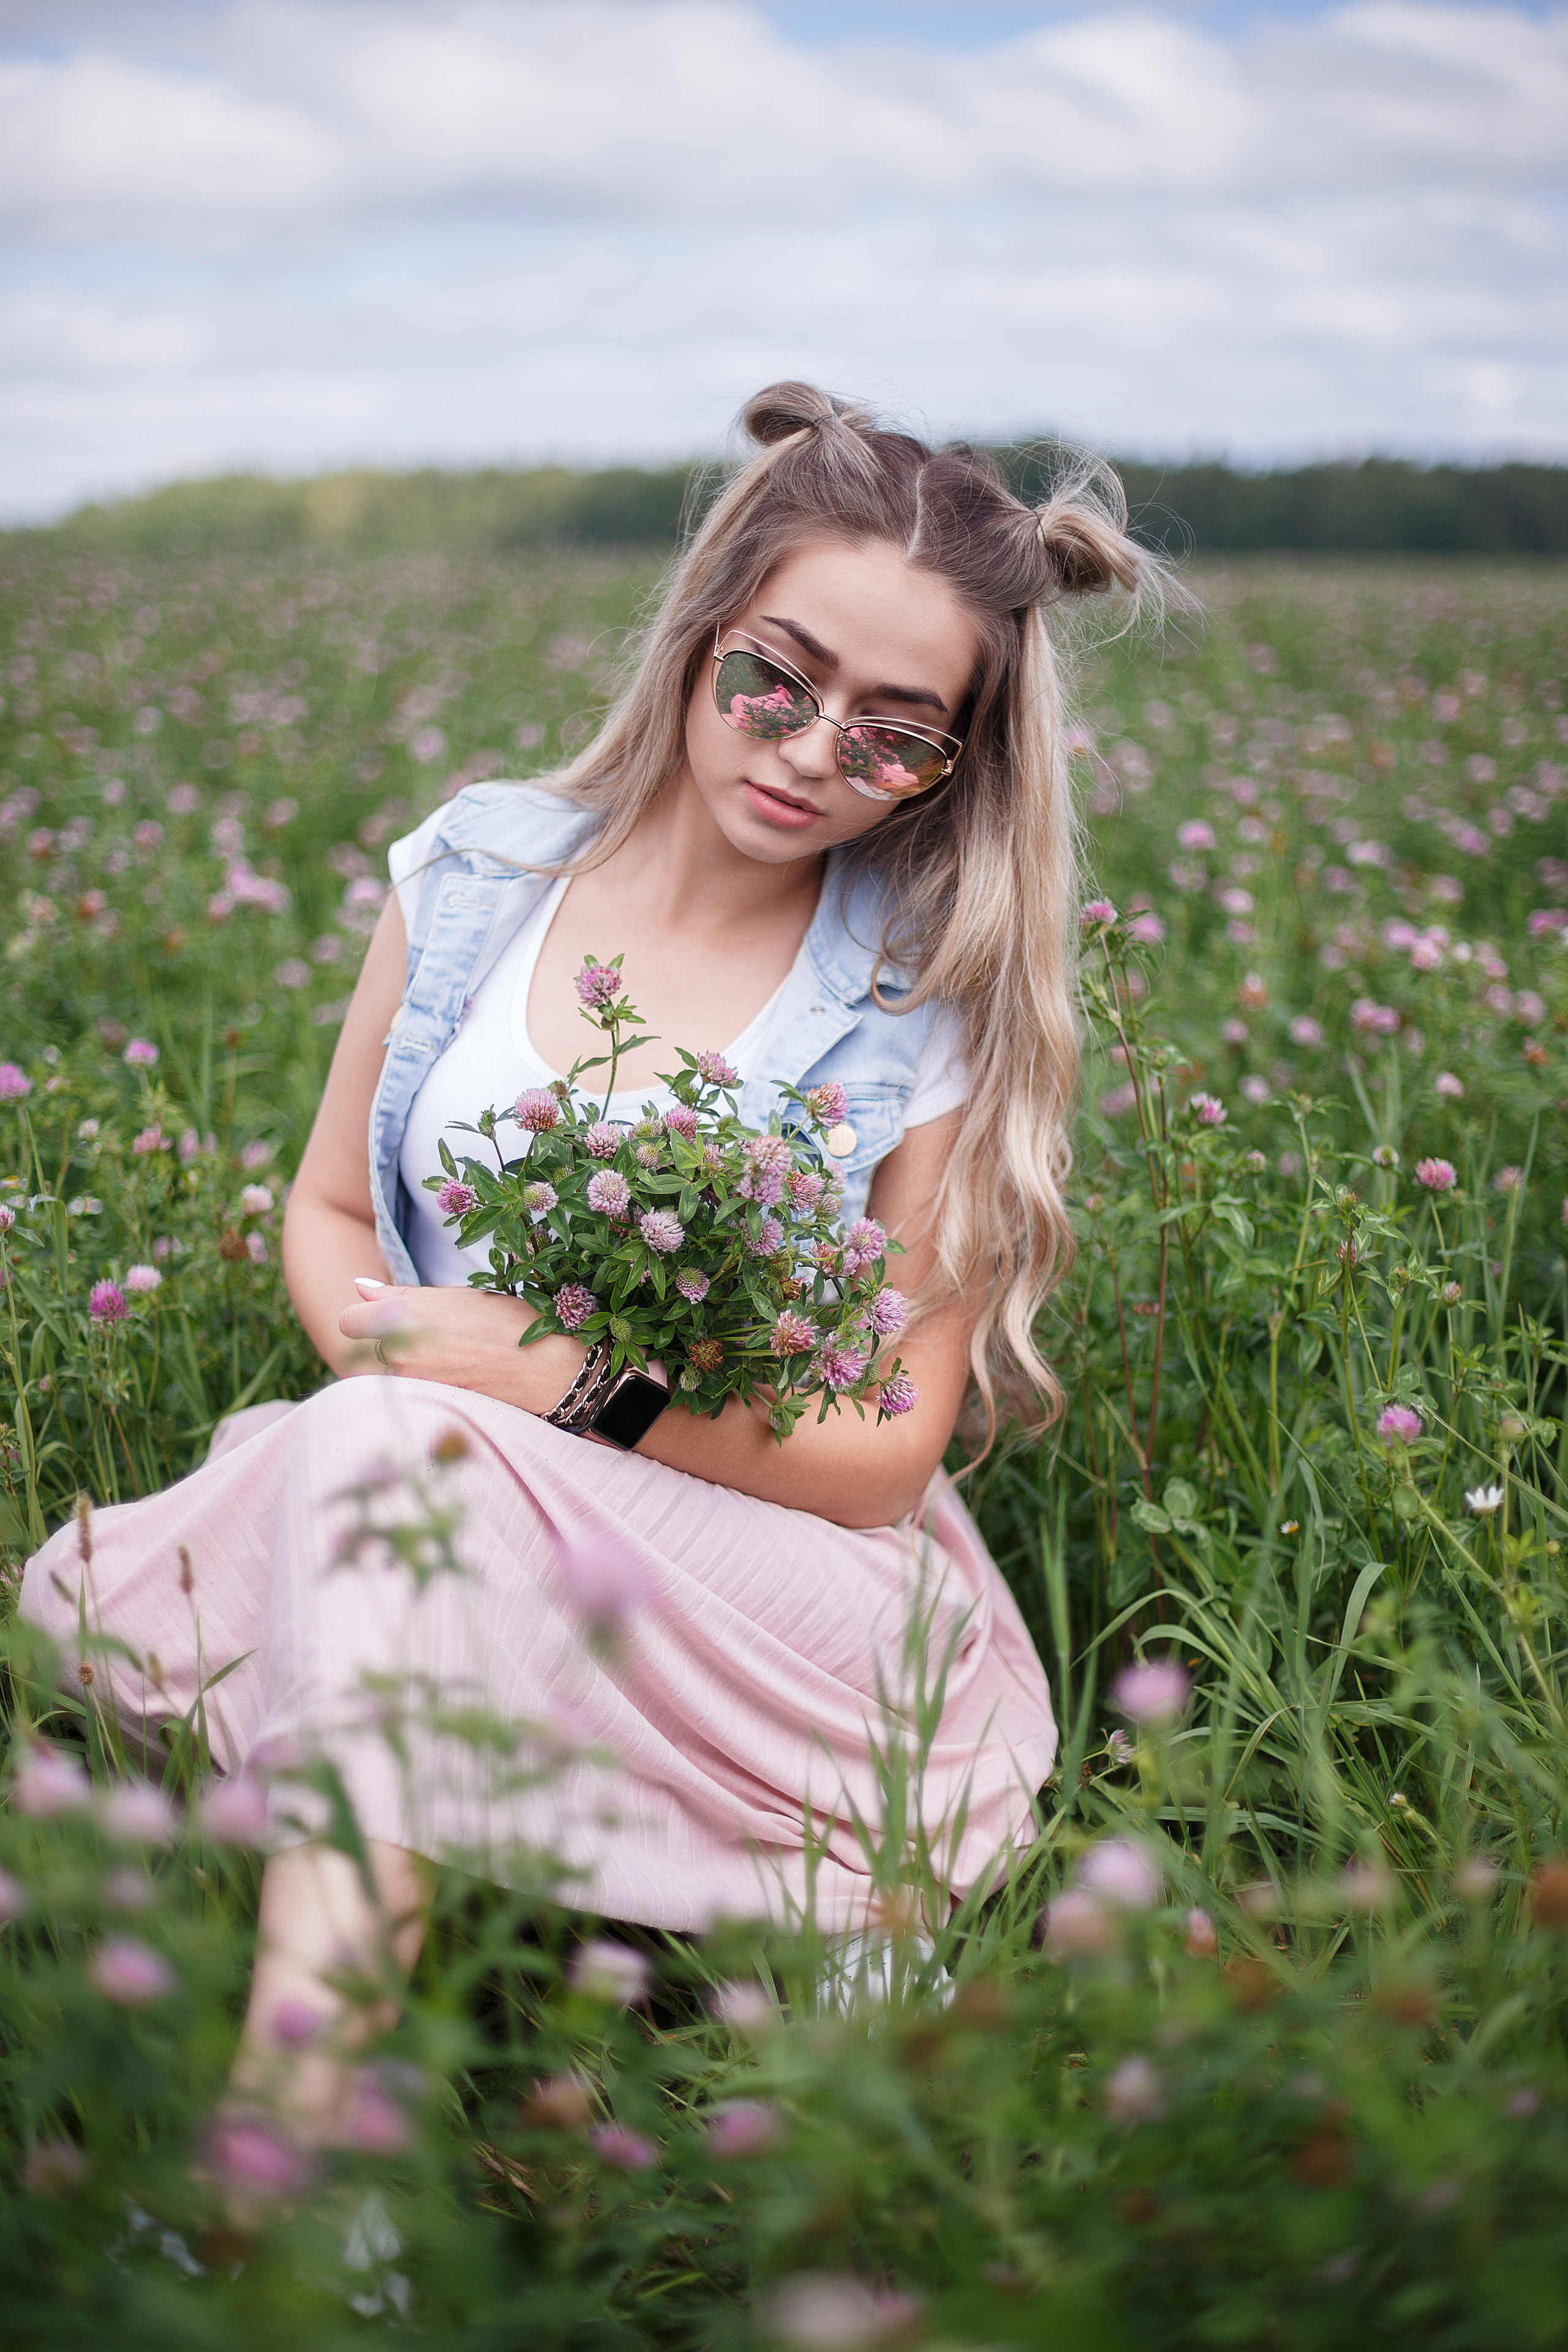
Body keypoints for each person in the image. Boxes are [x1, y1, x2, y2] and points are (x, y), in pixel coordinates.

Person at [20, 381, 1154, 2147]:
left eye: (893, 735)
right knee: (376, 1457)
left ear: (957, 763)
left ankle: (306, 2152)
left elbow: (880, 1457)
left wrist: (542, 1384)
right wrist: (402, 1357)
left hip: (779, 1588)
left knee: (383, 1465)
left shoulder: (913, 1000)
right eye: (776, 679)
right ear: (703, 632)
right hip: (428, 1476)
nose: (806, 750)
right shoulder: (478, 873)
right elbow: (326, 1211)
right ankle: (338, 2133)